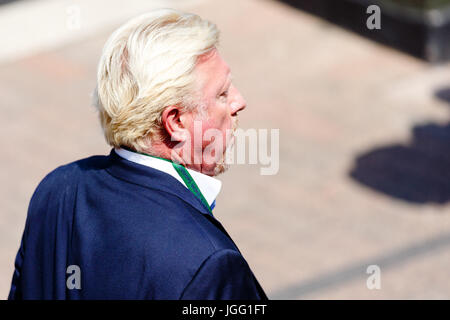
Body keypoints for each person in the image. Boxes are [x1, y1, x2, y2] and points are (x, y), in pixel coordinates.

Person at [8, 8, 267, 300]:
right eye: (222, 94)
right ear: (176, 122)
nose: (239, 102)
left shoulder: (57, 190)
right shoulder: (208, 264)